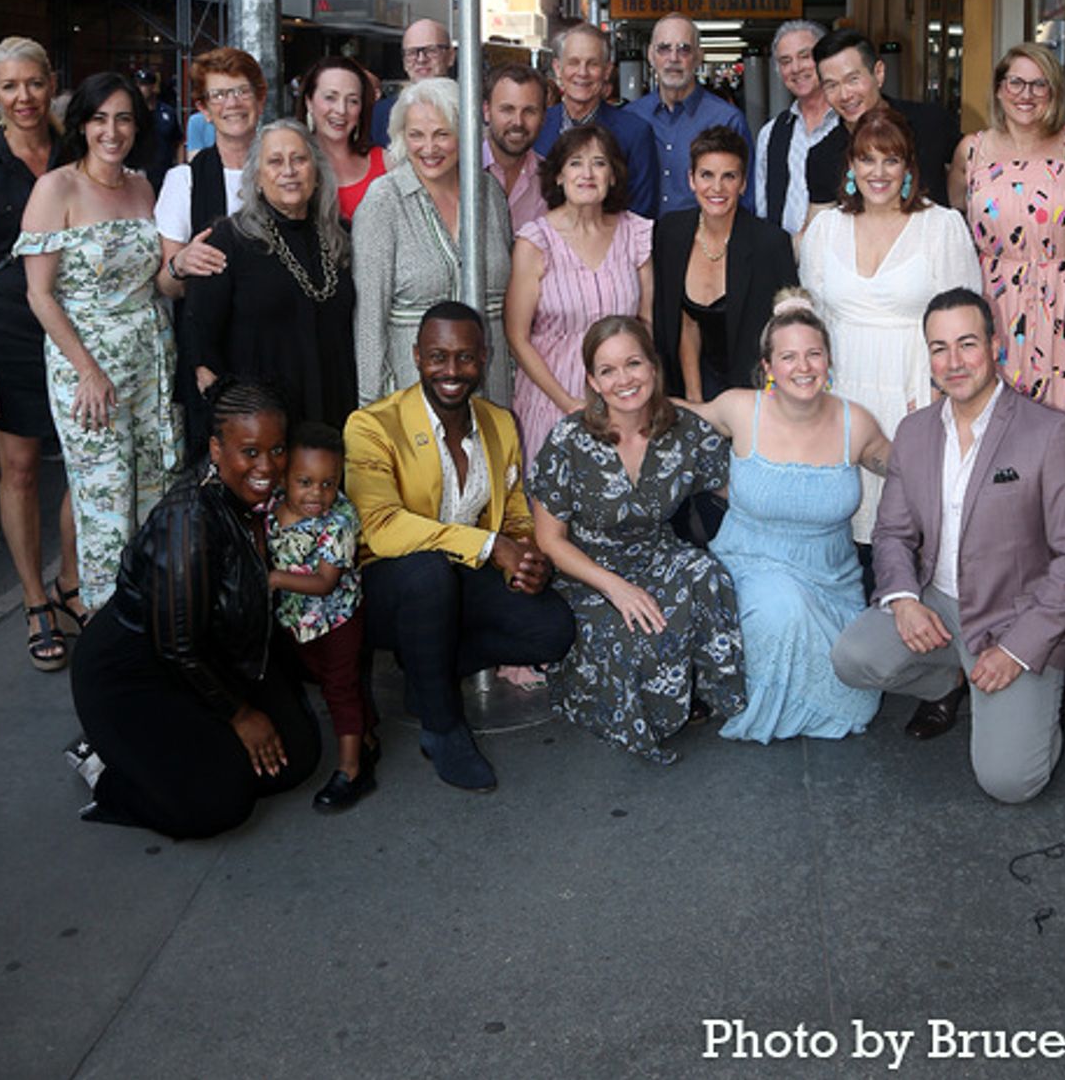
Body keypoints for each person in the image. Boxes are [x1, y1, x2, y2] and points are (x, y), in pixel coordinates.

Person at [832, 289, 1065, 802]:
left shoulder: (1051, 434)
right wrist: (904, 601)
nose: (953, 362)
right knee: (853, 656)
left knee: (1009, 783)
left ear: (995, 346)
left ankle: (1041, 697)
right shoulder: (913, 433)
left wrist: (1018, 651)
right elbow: (892, 533)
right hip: (937, 602)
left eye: (967, 344)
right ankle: (952, 678)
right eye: (939, 348)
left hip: (1014, 617)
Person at [68, 377, 321, 836]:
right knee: (217, 805)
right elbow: (178, 646)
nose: (267, 466)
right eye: (250, 452)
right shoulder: (187, 524)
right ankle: (105, 769)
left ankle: (188, 752)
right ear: (216, 448)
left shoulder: (249, 495)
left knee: (297, 758)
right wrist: (240, 716)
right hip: (135, 672)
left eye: (278, 449)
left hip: (211, 652)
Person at [345, 304, 574, 793]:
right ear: (417, 357)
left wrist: (526, 554)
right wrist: (492, 547)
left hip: (462, 577)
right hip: (389, 586)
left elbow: (512, 512)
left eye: (465, 358)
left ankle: (427, 676)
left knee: (553, 629)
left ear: (484, 359)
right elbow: (383, 528)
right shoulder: (371, 426)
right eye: (438, 357)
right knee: (427, 573)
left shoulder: (499, 423)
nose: (451, 371)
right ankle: (443, 726)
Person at [529, 315, 746, 763]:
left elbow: (740, 490)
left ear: (653, 367)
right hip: (588, 574)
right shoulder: (568, 440)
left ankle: (716, 695)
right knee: (628, 641)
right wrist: (616, 587)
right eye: (607, 370)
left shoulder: (683, 429)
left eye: (633, 364)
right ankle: (653, 702)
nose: (624, 379)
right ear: (592, 380)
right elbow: (550, 540)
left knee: (707, 573)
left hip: (657, 555)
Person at [692, 293, 892, 743]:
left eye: (813, 354)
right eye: (788, 357)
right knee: (779, 609)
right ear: (768, 367)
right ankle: (754, 703)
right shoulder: (740, 408)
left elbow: (902, 466)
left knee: (859, 703)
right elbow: (683, 418)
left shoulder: (854, 423)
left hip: (830, 579)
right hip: (750, 564)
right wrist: (625, 398)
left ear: (828, 361)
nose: (803, 367)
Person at [16, 71, 179, 611]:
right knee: (105, 504)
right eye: (100, 119)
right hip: (87, 371)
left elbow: (156, 279)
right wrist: (87, 369)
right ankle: (107, 634)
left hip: (150, 360)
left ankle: (149, 628)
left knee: (152, 494)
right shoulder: (55, 187)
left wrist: (185, 264)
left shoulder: (140, 184)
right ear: (82, 124)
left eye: (124, 118)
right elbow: (40, 296)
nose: (112, 131)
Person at [798, 107, 980, 562]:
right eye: (867, 160)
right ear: (851, 167)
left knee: (914, 533)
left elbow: (964, 324)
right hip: (842, 395)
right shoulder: (824, 228)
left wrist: (945, 397)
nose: (877, 173)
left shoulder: (940, 226)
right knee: (845, 538)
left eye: (890, 160)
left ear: (908, 168)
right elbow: (811, 325)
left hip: (914, 391)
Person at [0, 37, 84, 669]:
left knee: (80, 463)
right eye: (9, 86)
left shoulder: (76, 148)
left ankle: (69, 577)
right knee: (18, 472)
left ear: (51, 82)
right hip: (11, 334)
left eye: (33, 83)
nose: (23, 98)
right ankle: (36, 599)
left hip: (78, 332)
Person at [351, 77, 514, 407]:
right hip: (412, 397)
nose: (428, 147)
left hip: (491, 392)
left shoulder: (489, 193)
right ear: (401, 137)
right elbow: (369, 317)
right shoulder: (384, 200)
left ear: (465, 132)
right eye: (416, 135)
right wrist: (370, 407)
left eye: (442, 134)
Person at [185, 119, 357, 431]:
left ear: (316, 172)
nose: (289, 171)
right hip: (262, 424)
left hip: (337, 411)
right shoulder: (228, 240)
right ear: (257, 178)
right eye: (275, 161)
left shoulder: (342, 236)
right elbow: (203, 345)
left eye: (299, 159)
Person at [946, 42, 1065, 416]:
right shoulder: (971, 151)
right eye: (1016, 83)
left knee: (1063, 420)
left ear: (1054, 91)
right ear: (999, 88)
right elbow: (956, 222)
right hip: (995, 304)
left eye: (1039, 85)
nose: (1026, 95)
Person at [506, 124, 652, 469]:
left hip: (623, 400)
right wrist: (568, 402)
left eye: (599, 163)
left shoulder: (636, 233)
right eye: (575, 163)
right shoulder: (535, 241)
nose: (587, 173)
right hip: (552, 400)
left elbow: (645, 323)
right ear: (558, 176)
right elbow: (516, 335)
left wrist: (635, 392)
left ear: (613, 176)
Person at [156, 46, 266, 458]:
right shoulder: (184, 180)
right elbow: (167, 285)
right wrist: (180, 263)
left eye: (241, 91)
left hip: (279, 346)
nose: (232, 104)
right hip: (212, 358)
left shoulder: (287, 168)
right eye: (219, 95)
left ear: (261, 97)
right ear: (203, 108)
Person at [266, 421, 379, 813]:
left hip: (337, 620)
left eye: (328, 484)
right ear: (285, 476)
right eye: (305, 482)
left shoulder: (339, 521)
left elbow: (326, 583)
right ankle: (364, 733)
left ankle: (352, 770)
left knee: (339, 686)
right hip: (297, 622)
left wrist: (274, 578)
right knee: (319, 678)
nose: (317, 493)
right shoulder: (271, 505)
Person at [651, 126, 798, 400]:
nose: (716, 188)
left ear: (743, 183)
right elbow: (684, 322)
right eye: (706, 175)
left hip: (754, 392)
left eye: (728, 176)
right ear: (691, 179)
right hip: (685, 387)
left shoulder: (770, 243)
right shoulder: (670, 233)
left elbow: (788, 329)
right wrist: (694, 402)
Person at [806, 28, 959, 212]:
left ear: (878, 73)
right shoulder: (823, 156)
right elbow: (817, 227)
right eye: (832, 85)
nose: (845, 95)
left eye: (853, 79)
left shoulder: (931, 122)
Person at [628, 16, 754, 218]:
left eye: (684, 49)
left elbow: (746, 197)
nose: (673, 58)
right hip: (641, 244)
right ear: (651, 56)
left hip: (704, 244)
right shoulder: (632, 117)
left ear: (698, 56)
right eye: (664, 48)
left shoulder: (727, 119)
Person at [535, 23, 657, 218]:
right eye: (574, 62)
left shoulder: (635, 133)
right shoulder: (537, 127)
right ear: (558, 68)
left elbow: (641, 212)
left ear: (607, 70)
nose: (582, 73)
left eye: (592, 64)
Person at [754, 19, 838, 234]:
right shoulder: (771, 134)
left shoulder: (851, 123)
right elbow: (763, 211)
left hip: (845, 261)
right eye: (785, 61)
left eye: (805, 56)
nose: (796, 68)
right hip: (788, 260)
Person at [297, 55, 386, 225]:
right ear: (309, 102)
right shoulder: (291, 166)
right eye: (330, 97)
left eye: (352, 100)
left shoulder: (387, 162)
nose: (341, 110)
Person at [483, 63, 548, 231]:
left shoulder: (552, 179)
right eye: (507, 110)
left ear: (543, 117)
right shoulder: (459, 172)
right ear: (486, 111)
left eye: (529, 111)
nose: (518, 122)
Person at [371, 19, 455, 149]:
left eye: (431, 50)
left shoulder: (471, 109)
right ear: (404, 61)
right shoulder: (379, 115)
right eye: (411, 53)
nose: (421, 59)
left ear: (451, 56)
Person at [131, 67, 184, 194]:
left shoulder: (167, 112)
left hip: (163, 171)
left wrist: (179, 167)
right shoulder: (130, 112)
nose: (141, 89)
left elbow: (179, 141)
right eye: (138, 85)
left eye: (144, 85)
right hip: (136, 171)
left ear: (153, 86)